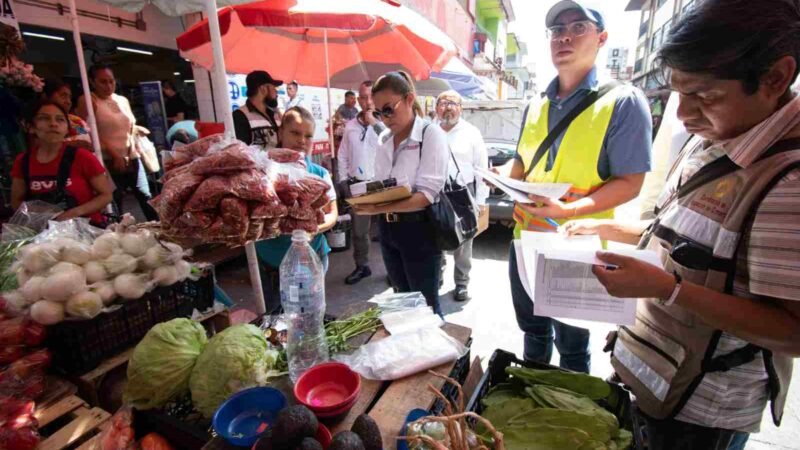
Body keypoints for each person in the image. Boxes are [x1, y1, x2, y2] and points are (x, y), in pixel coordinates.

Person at [560, 1, 800, 448]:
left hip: (702, 413)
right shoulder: (711, 139)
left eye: (704, 97)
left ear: (775, 78)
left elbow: (793, 331)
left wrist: (668, 289)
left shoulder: (789, 184)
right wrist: (612, 231)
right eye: (679, 93)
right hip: (653, 377)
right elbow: (691, 238)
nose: (685, 115)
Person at [495, 1, 652, 373]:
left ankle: (567, 404)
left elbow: (630, 183)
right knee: (533, 334)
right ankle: (531, 391)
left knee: (572, 348)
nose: (564, 36)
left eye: (578, 27)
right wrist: (501, 175)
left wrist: (569, 210)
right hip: (524, 239)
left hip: (576, 245)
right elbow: (523, 162)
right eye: (557, 30)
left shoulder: (623, 102)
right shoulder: (535, 104)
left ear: (602, 38)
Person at [351, 71, 449, 314]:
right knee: (402, 302)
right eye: (379, 113)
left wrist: (376, 207)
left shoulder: (430, 134)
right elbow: (384, 185)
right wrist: (366, 196)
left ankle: (434, 340)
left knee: (425, 306)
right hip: (388, 230)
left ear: (409, 99)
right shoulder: (384, 138)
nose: (385, 118)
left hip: (419, 229)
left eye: (389, 109)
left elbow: (426, 195)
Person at [256, 106, 338, 314]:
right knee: (276, 317)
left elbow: (332, 214)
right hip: (270, 261)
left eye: (308, 136)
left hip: (311, 257)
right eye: (295, 133)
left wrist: (310, 231)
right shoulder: (261, 170)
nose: (302, 140)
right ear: (280, 132)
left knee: (310, 314)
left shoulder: (319, 174)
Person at [76, 64, 158, 221]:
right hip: (105, 160)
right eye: (103, 82)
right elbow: (83, 130)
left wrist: (131, 150)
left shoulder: (122, 100)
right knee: (114, 201)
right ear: (92, 82)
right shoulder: (88, 100)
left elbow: (131, 127)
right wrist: (113, 154)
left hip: (131, 156)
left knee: (146, 195)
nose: (108, 86)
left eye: (111, 81)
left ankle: (159, 226)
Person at [12, 101, 113, 225]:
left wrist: (74, 213)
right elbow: (16, 202)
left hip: (86, 229)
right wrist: (39, 216)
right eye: (44, 118)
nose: (53, 124)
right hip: (44, 231)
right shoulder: (23, 161)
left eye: (60, 119)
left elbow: (106, 195)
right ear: (30, 127)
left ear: (67, 129)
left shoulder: (83, 157)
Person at [435, 90, 488, 302]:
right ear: (436, 108)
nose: (448, 107)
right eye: (443, 103)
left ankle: (462, 283)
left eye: (453, 103)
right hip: (435, 192)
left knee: (464, 240)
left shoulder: (471, 133)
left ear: (461, 109)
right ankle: (437, 276)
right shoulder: (429, 130)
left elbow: (481, 168)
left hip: (463, 193)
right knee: (435, 236)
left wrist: (481, 201)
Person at [338, 80, 386, 285]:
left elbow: (392, 143)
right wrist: (342, 181)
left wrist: (375, 122)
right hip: (359, 185)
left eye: (372, 97)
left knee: (388, 230)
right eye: (364, 98)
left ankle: (393, 269)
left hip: (383, 184)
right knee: (359, 231)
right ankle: (362, 266)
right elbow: (342, 155)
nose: (368, 102)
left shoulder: (386, 124)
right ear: (358, 100)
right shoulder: (350, 126)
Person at [233, 70, 282, 150]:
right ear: (263, 89)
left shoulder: (276, 114)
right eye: (273, 87)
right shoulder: (240, 116)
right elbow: (240, 152)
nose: (276, 92)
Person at [42, 79, 91, 148]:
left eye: (69, 98)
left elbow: (87, 136)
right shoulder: (41, 121)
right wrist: (71, 144)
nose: (68, 102)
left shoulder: (76, 121)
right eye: (63, 96)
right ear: (47, 97)